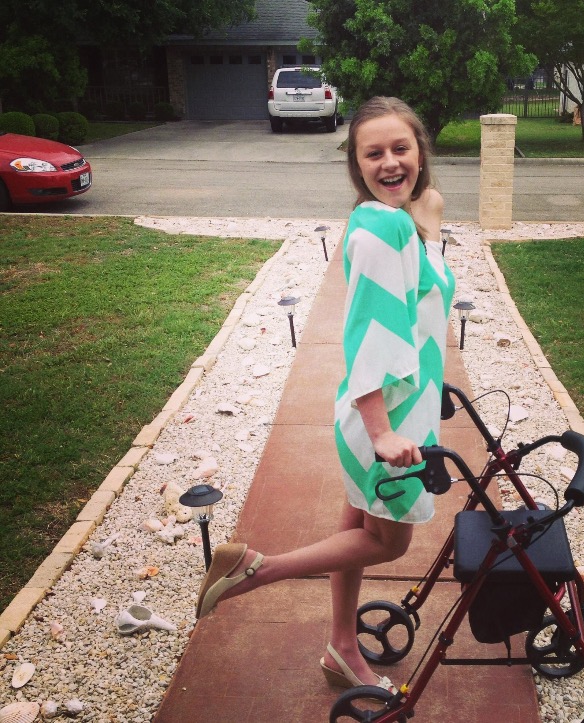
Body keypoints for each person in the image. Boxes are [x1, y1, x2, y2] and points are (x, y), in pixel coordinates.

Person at [194, 96, 455, 692]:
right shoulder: (386, 227)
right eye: (374, 153)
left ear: (420, 151)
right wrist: (384, 430)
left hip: (392, 412)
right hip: (385, 424)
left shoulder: (386, 222)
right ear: (356, 164)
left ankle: (341, 645)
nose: (390, 162)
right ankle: (257, 570)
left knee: (358, 530)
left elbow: (419, 299)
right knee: (386, 543)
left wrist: (432, 225)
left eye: (401, 148)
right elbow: (368, 329)